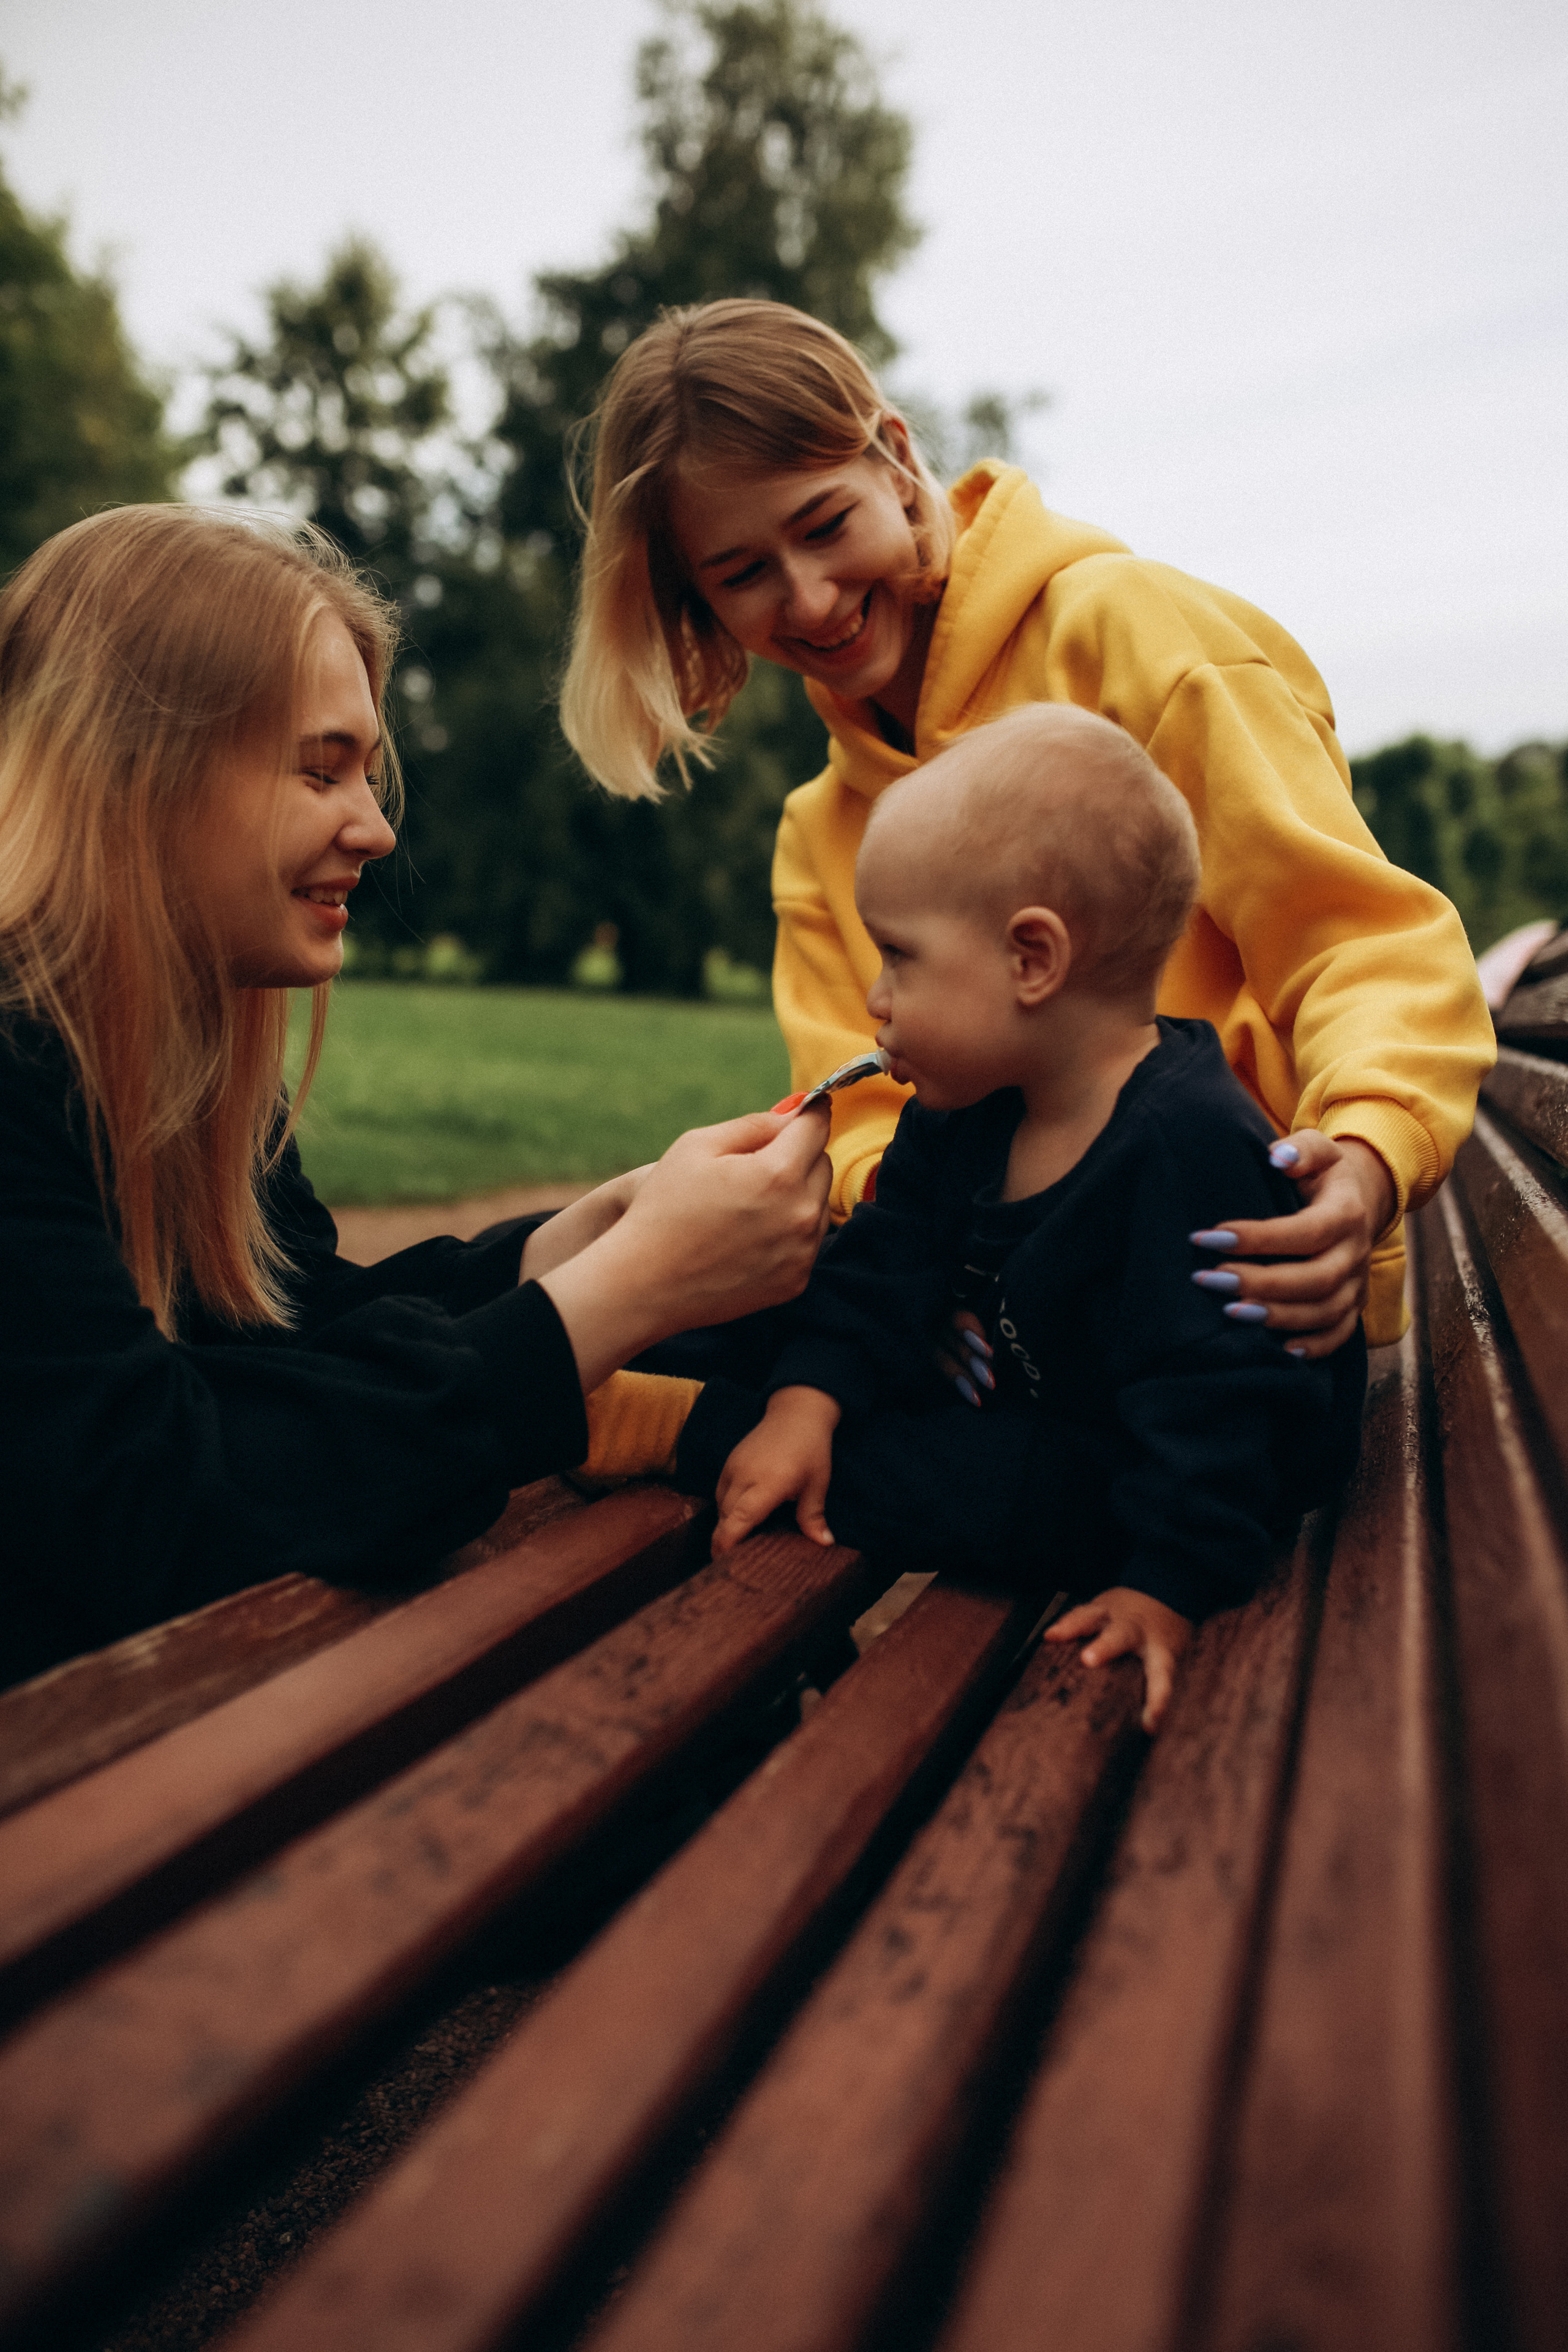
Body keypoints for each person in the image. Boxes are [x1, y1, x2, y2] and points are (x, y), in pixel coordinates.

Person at [559, 298, 1494, 1363]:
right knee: (623, 1336)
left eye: (825, 526)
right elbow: (865, 1119)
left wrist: (1368, 1159)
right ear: (700, 601)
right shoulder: (817, 833)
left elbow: (1358, 939)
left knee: (669, 1401)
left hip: (1228, 1312)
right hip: (1017, 1333)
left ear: (895, 460)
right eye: (743, 573)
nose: (810, 599)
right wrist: (935, 1261)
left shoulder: (1130, 636)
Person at [0, 505, 831, 1685]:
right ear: (140, 769)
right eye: (320, 768)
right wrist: (622, 1295)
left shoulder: (167, 1061)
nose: (377, 828)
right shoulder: (18, 1068)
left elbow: (300, 1331)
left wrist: (567, 1247)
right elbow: (154, 1509)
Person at [672, 706, 1369, 1732]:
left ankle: (682, 1430)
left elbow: (1220, 1403)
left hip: (1153, 1476)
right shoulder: (967, 1104)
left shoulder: (1188, 1143)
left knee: (965, 1482)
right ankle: (714, 1392)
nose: (875, 997)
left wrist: (1166, 1585)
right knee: (807, 1309)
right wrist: (808, 1400)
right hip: (1034, 1392)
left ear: (1031, 959)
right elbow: (884, 1265)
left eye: (900, 958)